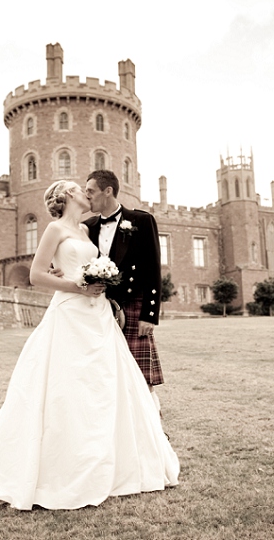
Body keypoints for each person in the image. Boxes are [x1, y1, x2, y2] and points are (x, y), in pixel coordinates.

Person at [0, 180, 179, 513]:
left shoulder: (87, 231)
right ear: (66, 197)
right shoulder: (54, 229)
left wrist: (96, 283)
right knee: (64, 388)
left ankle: (109, 459)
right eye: (79, 189)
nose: (85, 193)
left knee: (102, 385)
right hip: (71, 314)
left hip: (98, 315)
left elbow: (79, 267)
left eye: (88, 188)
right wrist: (75, 285)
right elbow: (35, 276)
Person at [83, 170, 165, 413]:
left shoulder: (141, 220)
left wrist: (149, 315)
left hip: (134, 303)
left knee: (141, 377)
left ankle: (153, 432)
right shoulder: (87, 226)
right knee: (106, 373)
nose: (87, 197)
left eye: (90, 191)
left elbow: (152, 268)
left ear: (108, 191)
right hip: (99, 307)